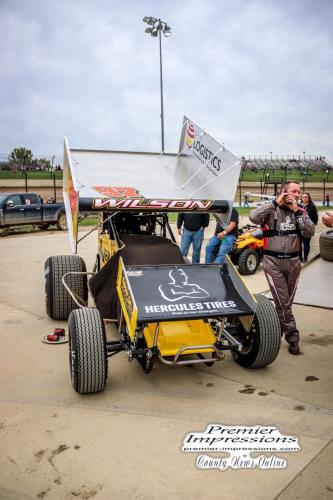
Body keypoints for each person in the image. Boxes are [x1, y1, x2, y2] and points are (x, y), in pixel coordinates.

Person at [249, 180, 315, 355]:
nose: (297, 194)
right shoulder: (271, 208)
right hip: (273, 262)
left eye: (299, 191)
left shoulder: (300, 211)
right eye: (294, 191)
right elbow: (253, 217)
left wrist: (297, 211)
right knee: (283, 302)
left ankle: (274, 329)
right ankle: (293, 336)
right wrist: (275, 202)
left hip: (294, 263)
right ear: (283, 192)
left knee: (286, 302)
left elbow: (309, 232)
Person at [300, 192, 318, 262]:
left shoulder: (312, 206)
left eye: (306, 197)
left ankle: (305, 258)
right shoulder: (299, 206)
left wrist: (312, 224)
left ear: (309, 198)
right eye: (303, 197)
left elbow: (315, 218)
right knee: (298, 244)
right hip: (299, 228)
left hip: (307, 228)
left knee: (306, 243)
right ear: (301, 198)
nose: (304, 198)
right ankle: (300, 258)